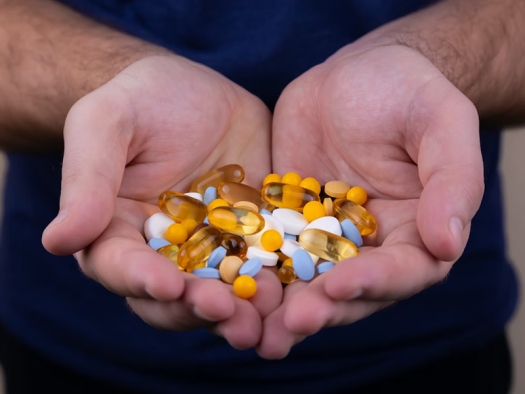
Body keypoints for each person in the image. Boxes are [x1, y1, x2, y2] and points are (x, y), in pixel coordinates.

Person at [0, 0, 522, 392]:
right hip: (75, 347)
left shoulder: (295, 224)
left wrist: (431, 61)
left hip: (433, 349)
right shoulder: (236, 225)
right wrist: (103, 78)